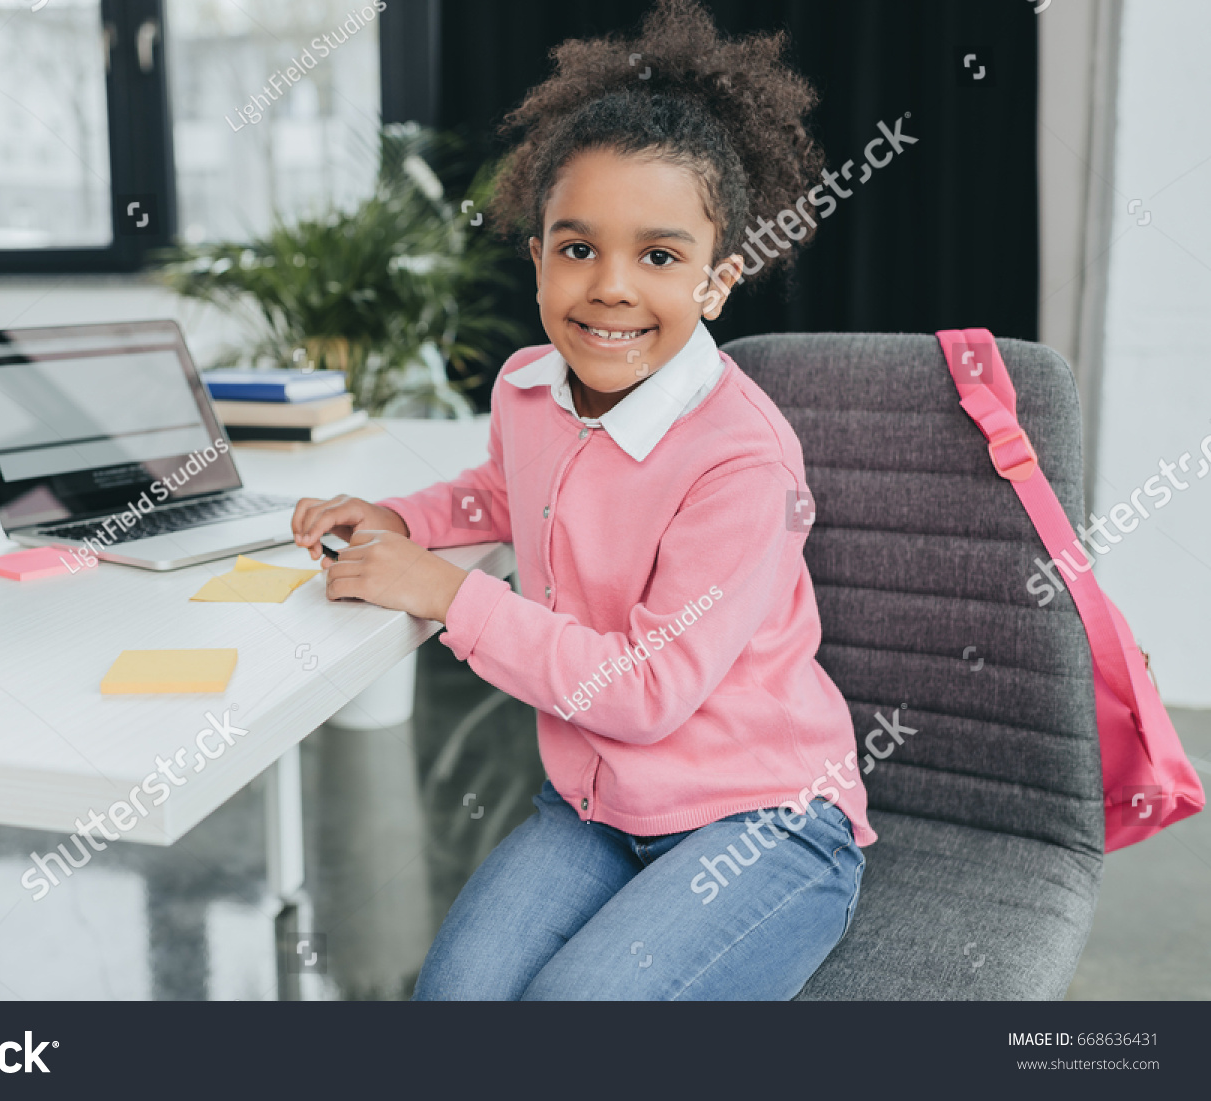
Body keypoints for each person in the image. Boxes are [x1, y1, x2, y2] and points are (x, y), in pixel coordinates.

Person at [291, 0, 873, 1000]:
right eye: (576, 247)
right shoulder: (527, 387)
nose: (609, 287)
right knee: (453, 1001)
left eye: (657, 256)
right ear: (537, 258)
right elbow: (502, 495)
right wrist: (406, 522)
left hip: (766, 824)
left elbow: (646, 692)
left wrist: (445, 593)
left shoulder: (743, 463)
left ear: (717, 281)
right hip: (599, 807)